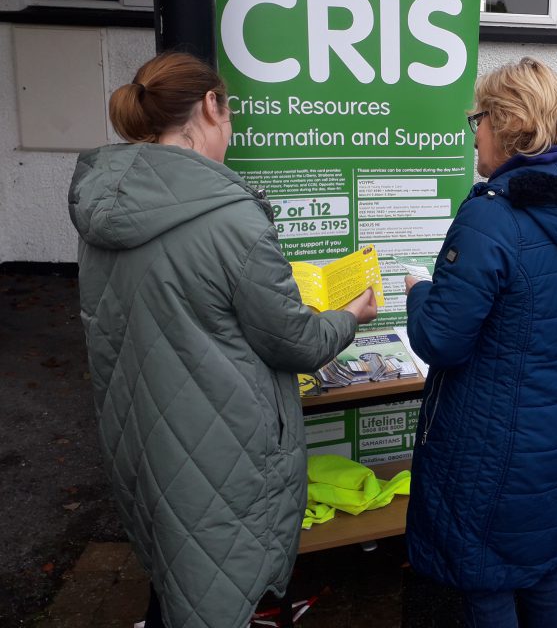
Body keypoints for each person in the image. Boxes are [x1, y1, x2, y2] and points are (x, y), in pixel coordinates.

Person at [68, 51, 378, 628]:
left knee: (175, 571)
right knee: (214, 590)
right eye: (229, 112)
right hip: (220, 447)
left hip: (141, 432)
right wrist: (349, 315)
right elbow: (295, 343)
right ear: (210, 106)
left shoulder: (104, 205)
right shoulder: (231, 218)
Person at [403, 57, 557, 627]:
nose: (473, 133)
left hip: (488, 441)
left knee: (487, 581)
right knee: (540, 567)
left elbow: (440, 341)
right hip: (556, 434)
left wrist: (418, 292)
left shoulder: (493, 218)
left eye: (477, 119)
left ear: (505, 124)